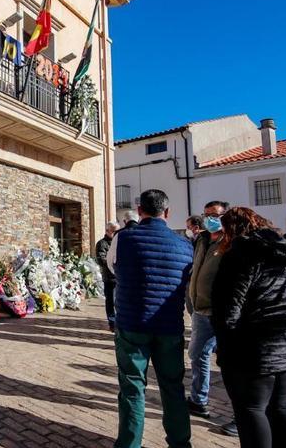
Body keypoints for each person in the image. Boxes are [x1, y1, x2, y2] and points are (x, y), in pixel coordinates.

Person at [211, 207, 286, 448]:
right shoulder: (285, 252)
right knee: (282, 405)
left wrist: (225, 341)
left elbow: (228, 306)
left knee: (251, 408)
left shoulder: (241, 254)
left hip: (253, 342)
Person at [106, 189, 192, 448]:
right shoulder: (185, 244)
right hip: (169, 325)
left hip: (133, 323)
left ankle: (129, 444)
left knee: (132, 388)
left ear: (139, 210)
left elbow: (113, 267)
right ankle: (180, 443)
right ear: (167, 213)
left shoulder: (123, 239)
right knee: (173, 387)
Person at [186, 201, 238, 436]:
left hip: (223, 313)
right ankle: (198, 400)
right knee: (197, 355)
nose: (209, 219)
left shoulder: (233, 242)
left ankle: (242, 415)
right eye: (206, 215)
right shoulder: (202, 240)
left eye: (214, 215)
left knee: (232, 365)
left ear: (225, 216)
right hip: (200, 311)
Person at [96, 221, 121, 331]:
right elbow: (102, 259)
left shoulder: (120, 241)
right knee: (110, 301)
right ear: (107, 231)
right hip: (110, 277)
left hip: (120, 277)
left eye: (118, 231)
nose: (116, 233)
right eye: (114, 231)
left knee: (120, 301)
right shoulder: (102, 243)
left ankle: (120, 321)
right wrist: (115, 263)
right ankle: (112, 323)